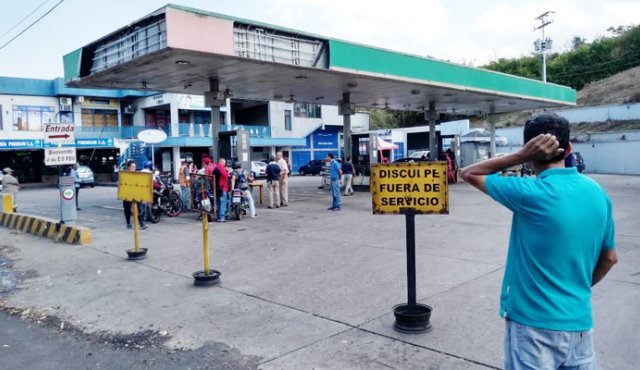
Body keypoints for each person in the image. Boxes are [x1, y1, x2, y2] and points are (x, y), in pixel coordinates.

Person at [460, 113, 617, 370]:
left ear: (529, 149)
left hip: (532, 328)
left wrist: (519, 156)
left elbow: (468, 173)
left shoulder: (531, 193)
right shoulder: (598, 193)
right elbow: (610, 258)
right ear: (568, 149)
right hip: (579, 325)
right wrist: (574, 288)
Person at [121, 160, 147, 230]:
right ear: (129, 167)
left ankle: (141, 224)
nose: (134, 168)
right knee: (127, 209)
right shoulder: (124, 175)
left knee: (139, 208)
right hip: (127, 194)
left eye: (135, 166)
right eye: (132, 167)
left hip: (136, 194)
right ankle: (128, 223)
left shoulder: (137, 174)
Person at [212, 158, 229, 222]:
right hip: (222, 188)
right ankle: (222, 217)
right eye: (224, 162)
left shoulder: (215, 168)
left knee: (219, 203)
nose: (225, 164)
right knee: (223, 203)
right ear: (222, 162)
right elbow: (225, 175)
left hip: (216, 188)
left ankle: (219, 217)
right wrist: (227, 171)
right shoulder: (221, 167)